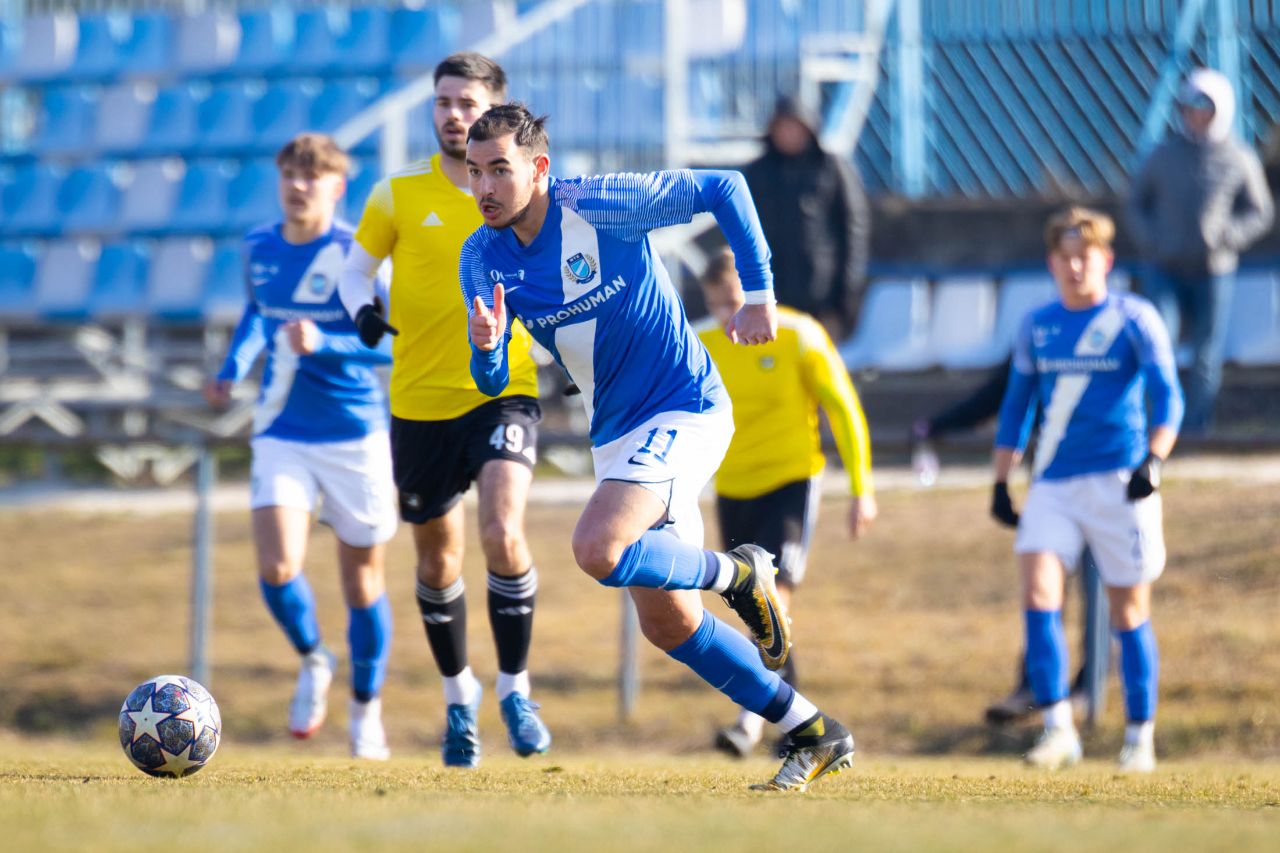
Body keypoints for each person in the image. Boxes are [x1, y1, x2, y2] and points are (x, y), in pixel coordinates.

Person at [462, 102, 856, 792]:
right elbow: (491, 379)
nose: (485, 187)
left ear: (539, 168)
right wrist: (488, 348)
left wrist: (760, 292)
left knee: (597, 548)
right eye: (474, 172)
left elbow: (725, 187)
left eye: (500, 169)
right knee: (669, 623)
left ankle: (738, 575)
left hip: (684, 408)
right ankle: (814, 729)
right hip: (616, 437)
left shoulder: (600, 205)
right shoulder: (480, 256)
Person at [337, 53, 549, 768]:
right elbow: (354, 271)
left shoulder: (524, 193)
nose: (453, 114)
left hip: (503, 391)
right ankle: (460, 698)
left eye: (467, 102)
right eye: (443, 102)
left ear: (495, 110)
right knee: (436, 559)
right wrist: (363, 311)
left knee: (502, 529)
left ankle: (516, 689)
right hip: (419, 403)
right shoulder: (396, 193)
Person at [204, 133, 397, 760]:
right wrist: (232, 368)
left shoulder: (358, 254)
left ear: (338, 187)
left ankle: (366, 710)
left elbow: (394, 344)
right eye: (290, 173)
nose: (298, 185)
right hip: (281, 430)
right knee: (278, 566)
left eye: (312, 176)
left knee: (362, 583)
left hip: (355, 434)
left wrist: (327, 343)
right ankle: (315, 658)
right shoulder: (258, 246)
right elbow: (258, 313)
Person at [990, 207, 1183, 772]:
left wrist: (1154, 460)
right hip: (1053, 484)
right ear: (1051, 262)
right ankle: (1058, 731)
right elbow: (1016, 407)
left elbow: (1168, 395)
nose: (1075, 267)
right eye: (1065, 257)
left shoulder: (1134, 318)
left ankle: (1140, 737)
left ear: (1106, 260)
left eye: (1086, 256)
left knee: (1129, 610)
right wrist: (1000, 480)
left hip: (1122, 482)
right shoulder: (1037, 325)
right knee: (1038, 593)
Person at [695, 248, 877, 758]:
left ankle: (749, 722)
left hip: (791, 485)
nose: (727, 317)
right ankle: (798, 728)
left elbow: (843, 408)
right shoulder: (700, 341)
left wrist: (862, 488)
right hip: (733, 490)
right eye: (716, 305)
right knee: (757, 612)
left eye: (734, 302)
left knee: (771, 603)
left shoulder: (799, 334)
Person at [1126, 67, 1273, 435]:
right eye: (1191, 108)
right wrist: (1152, 240)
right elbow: (1135, 204)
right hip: (1164, 266)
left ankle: (1196, 429)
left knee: (1207, 354)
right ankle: (1159, 425)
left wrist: (1227, 236)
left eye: (1206, 109)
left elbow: (1260, 212)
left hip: (1214, 269)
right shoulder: (1163, 155)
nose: (1197, 116)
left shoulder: (1238, 157)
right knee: (1159, 344)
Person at [742, 95, 870, 341]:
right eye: (783, 127)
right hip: (771, 291)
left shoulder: (830, 167)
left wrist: (848, 289)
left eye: (795, 127)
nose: (789, 134)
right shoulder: (758, 172)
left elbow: (853, 227)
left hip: (821, 293)